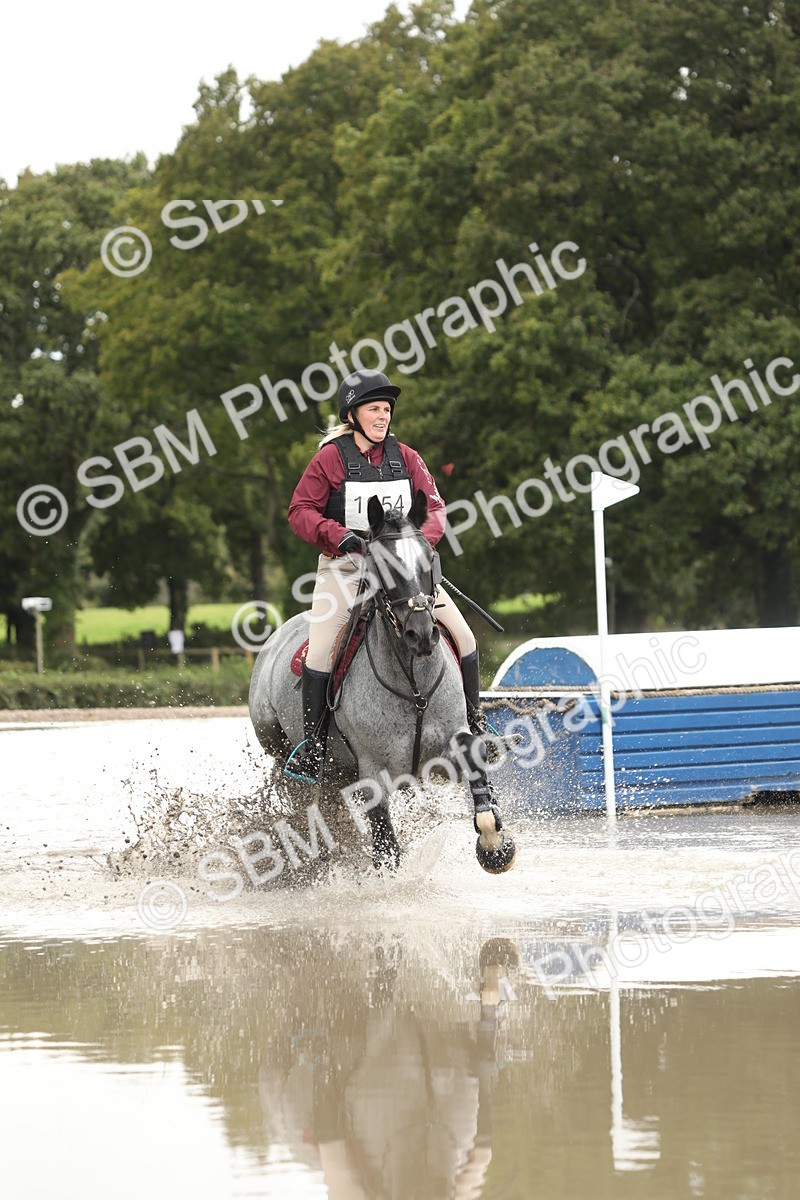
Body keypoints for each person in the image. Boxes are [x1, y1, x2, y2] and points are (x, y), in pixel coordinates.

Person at [285, 367, 487, 783]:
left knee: (464, 637)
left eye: (387, 410)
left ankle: (476, 724)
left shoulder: (407, 456)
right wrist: (339, 537)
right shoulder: (329, 459)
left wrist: (418, 545)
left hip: (402, 568)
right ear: (353, 414)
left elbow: (435, 509)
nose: (383, 417)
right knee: (322, 651)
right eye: (374, 409)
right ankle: (313, 747)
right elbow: (300, 511)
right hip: (347, 565)